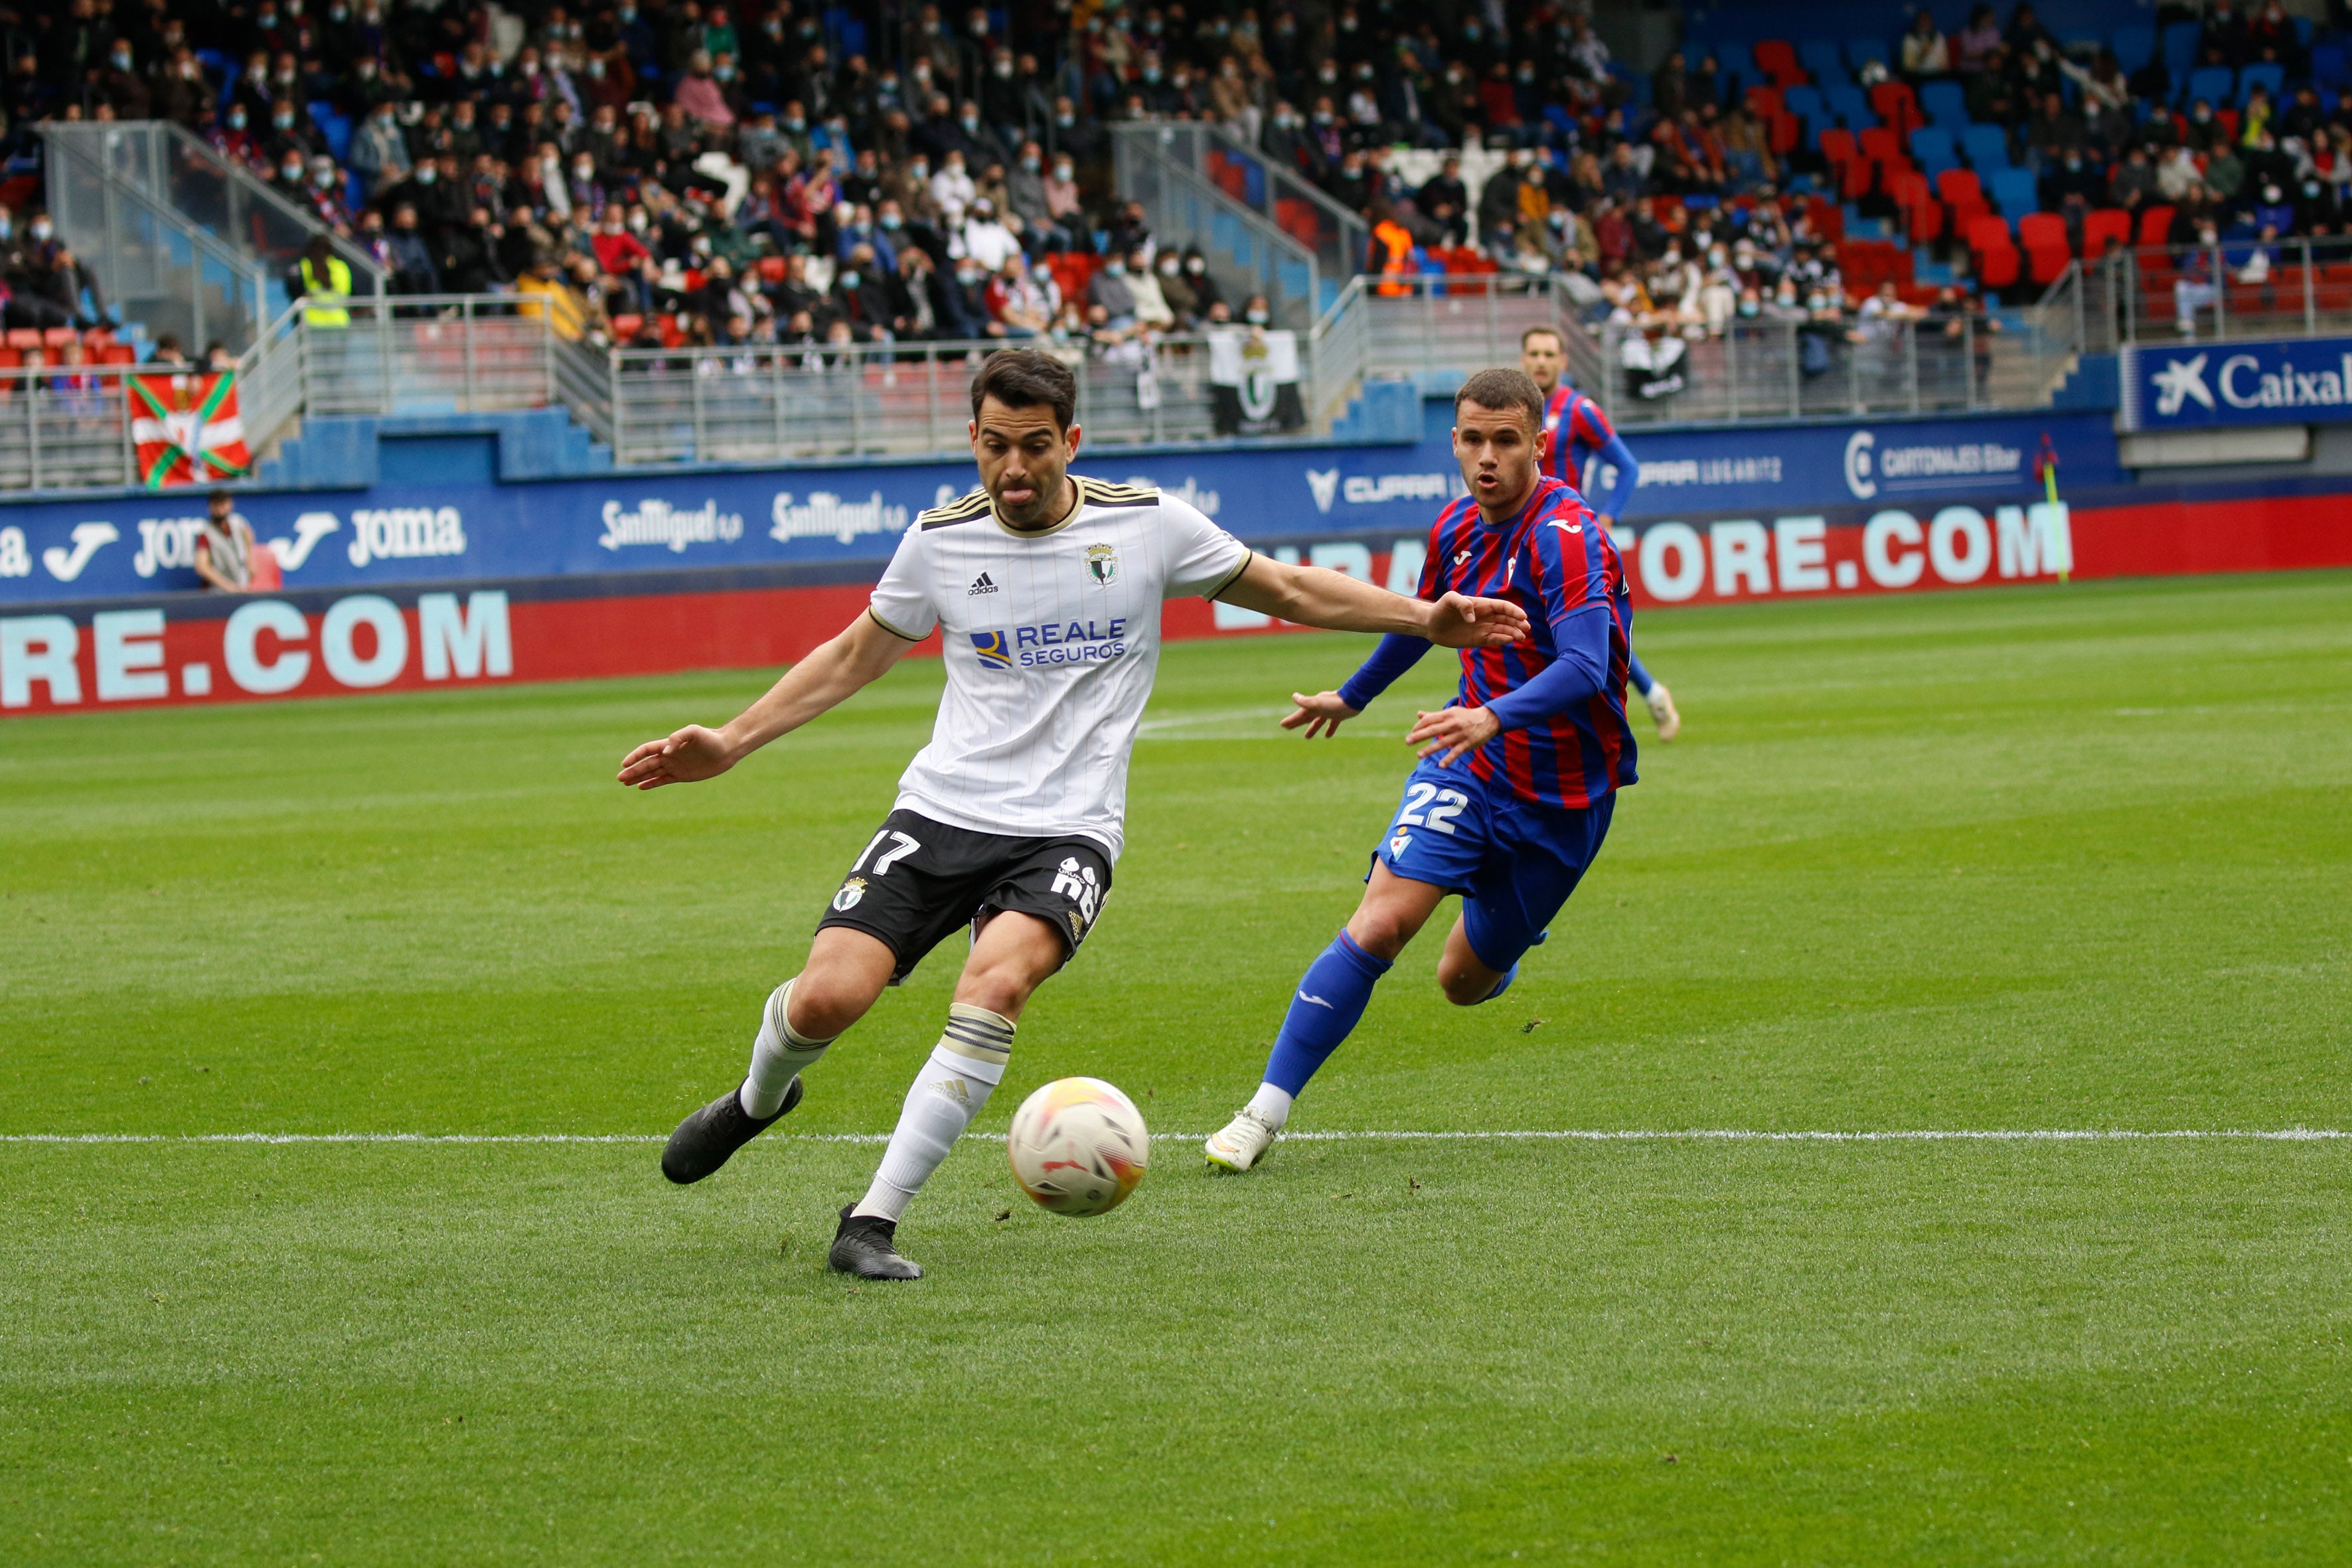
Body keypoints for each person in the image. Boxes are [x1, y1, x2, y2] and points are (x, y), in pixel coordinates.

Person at [621, 350, 1530, 1281]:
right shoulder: (939, 539)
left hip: (1068, 828)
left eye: (1036, 448)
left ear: (1071, 442)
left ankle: (871, 1219)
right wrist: (730, 741)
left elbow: (1289, 588)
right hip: (940, 809)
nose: (1013, 470)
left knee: (994, 986)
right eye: (996, 447)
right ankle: (757, 1099)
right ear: (971, 439)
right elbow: (853, 655)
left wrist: (1424, 619)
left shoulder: (1145, 527)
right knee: (825, 997)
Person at [1201, 368, 1638, 1173]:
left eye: (1507, 440)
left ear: (1539, 445)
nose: (1488, 457)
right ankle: (1262, 1112)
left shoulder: (1568, 535)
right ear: (1455, 441)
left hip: (1565, 799)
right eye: (1473, 438)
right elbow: (1426, 622)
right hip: (1464, 768)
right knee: (1379, 924)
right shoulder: (1455, 529)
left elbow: (1586, 663)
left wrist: (1494, 713)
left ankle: (1500, 944)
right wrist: (1354, 695)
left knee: (1463, 982)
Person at [1518, 327, 1680, 741]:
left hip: (1571, 537)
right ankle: (1651, 693)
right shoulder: (1516, 411)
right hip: (1522, 536)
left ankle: (1642, 698)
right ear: (1523, 359)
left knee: (1586, 628)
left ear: (1563, 361)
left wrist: (1607, 517)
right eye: (1534, 353)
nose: (1541, 361)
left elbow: (1627, 467)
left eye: (1549, 354)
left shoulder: (1580, 410)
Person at [193, 489, 262, 592]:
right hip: (219, 591)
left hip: (243, 584)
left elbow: (249, 537)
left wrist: (250, 561)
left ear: (230, 504)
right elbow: (202, 567)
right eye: (217, 506)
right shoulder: (205, 533)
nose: (220, 510)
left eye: (223, 505)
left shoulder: (239, 523)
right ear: (210, 507)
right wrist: (229, 587)